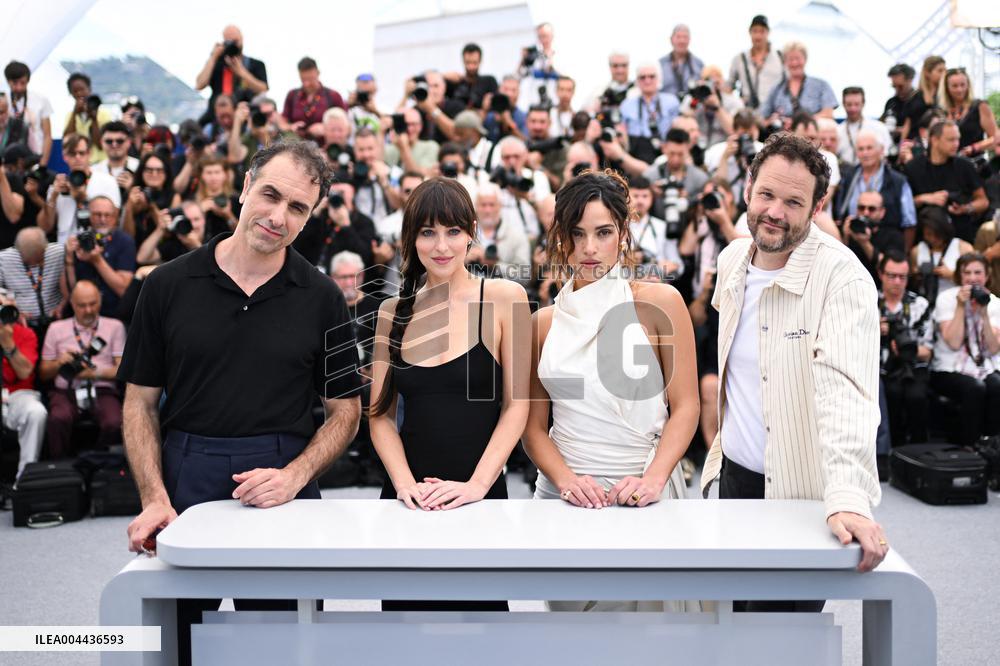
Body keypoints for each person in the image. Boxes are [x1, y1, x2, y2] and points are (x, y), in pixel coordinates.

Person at [119, 141, 362, 665]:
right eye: (271, 195)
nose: (278, 216)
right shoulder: (165, 285)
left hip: (282, 481)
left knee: (283, 645)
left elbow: (346, 412)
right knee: (175, 642)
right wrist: (154, 497)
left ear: (310, 216)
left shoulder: (324, 298)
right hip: (185, 472)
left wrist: (296, 476)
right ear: (246, 185)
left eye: (297, 208)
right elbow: (139, 403)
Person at [703, 133, 888, 591]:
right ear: (748, 189)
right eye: (766, 194)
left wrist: (847, 496)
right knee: (729, 635)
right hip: (733, 483)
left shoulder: (845, 280)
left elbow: (845, 394)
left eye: (793, 201)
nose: (774, 212)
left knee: (784, 642)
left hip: (800, 496)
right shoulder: (730, 262)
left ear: (817, 205)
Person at [523, 169, 698, 612]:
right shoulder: (543, 324)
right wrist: (567, 482)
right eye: (577, 233)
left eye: (603, 232)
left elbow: (686, 406)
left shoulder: (661, 304)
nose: (589, 248)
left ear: (623, 233)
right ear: (562, 237)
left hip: (644, 493)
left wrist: (654, 478)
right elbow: (532, 429)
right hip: (565, 500)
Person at [368, 177, 529, 610]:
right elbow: (379, 416)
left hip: (478, 497)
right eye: (428, 232)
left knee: (483, 633)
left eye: (453, 231)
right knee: (404, 633)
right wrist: (405, 485)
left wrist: (478, 485)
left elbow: (518, 406)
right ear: (411, 238)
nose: (441, 245)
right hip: (409, 500)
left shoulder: (504, 298)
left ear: (471, 231)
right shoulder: (392, 312)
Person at [40, 280, 126, 458]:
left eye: (93, 304)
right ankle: (59, 466)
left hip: (102, 389)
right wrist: (59, 364)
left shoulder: (115, 326)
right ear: (72, 304)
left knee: (114, 421)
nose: (88, 310)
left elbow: (123, 371)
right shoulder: (56, 328)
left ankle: (100, 464)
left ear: (100, 301)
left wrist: (90, 372)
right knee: (58, 418)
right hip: (66, 390)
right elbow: (43, 373)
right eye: (82, 305)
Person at [930, 252, 1000, 445]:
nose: (972, 278)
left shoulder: (995, 303)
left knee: (996, 386)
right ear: (960, 276)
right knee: (975, 388)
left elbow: (993, 349)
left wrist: (984, 314)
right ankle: (968, 447)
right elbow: (953, 342)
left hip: (984, 365)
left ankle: (992, 446)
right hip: (949, 368)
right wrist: (961, 307)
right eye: (967, 272)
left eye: (977, 272)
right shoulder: (946, 298)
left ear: (987, 276)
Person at [877, 250, 932, 448]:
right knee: (891, 394)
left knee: (916, 397)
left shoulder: (920, 304)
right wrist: (874, 331)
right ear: (881, 274)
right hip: (880, 369)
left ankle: (919, 452)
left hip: (913, 365)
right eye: (892, 276)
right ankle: (894, 453)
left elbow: (928, 350)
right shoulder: (868, 302)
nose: (897, 282)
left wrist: (906, 349)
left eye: (902, 277)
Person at [905, 119, 989, 243]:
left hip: (958, 231)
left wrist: (966, 208)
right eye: (951, 140)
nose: (956, 144)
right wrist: (925, 198)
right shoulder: (913, 167)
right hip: (924, 232)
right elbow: (903, 204)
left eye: (958, 139)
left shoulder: (965, 166)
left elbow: (983, 201)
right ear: (934, 140)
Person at [836, 130, 917, 252]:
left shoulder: (898, 181)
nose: (865, 153)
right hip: (854, 248)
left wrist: (903, 255)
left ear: (881, 150)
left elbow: (909, 223)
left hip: (888, 249)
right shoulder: (848, 177)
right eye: (861, 149)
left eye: (869, 148)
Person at [39, 133, 120, 244]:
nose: (77, 158)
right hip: (66, 248)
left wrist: (83, 199)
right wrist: (53, 197)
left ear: (89, 154)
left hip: (97, 244)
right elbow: (45, 227)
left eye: (81, 153)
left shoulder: (107, 181)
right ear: (64, 156)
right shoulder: (59, 185)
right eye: (72, 154)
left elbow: (115, 221)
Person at [63, 195, 136, 318]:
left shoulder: (125, 241)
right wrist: (69, 258)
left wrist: (97, 260)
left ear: (115, 217)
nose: (103, 220)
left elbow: (123, 290)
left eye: (108, 215)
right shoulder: (80, 241)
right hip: (82, 313)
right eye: (97, 214)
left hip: (114, 313)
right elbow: (70, 293)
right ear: (88, 215)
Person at [0, 289, 45, 477]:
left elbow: (25, 371)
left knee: (37, 412)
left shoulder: (25, 334)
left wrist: (8, 343)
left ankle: (25, 478)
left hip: (18, 395)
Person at [195, 25, 268, 123]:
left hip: (245, 114)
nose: (233, 45)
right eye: (229, 41)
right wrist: (213, 57)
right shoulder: (216, 64)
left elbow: (263, 89)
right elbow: (199, 85)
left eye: (235, 41)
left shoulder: (255, 64)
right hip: (216, 116)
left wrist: (242, 72)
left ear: (242, 40)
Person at [0, 227, 64, 331]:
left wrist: (63, 304)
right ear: (18, 250)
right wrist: (8, 304)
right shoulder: (4, 259)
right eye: (29, 260)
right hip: (22, 325)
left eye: (39, 258)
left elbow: (73, 283)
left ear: (45, 247)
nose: (35, 264)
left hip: (56, 321)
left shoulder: (58, 253)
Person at [760, 42, 837, 125]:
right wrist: (775, 120)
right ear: (784, 62)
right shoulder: (776, 89)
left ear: (805, 59)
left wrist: (799, 123)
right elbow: (763, 118)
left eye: (798, 58)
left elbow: (828, 114)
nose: (794, 63)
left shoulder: (821, 85)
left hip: (812, 135)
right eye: (790, 59)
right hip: (784, 135)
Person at [619, 63, 680, 165]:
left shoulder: (671, 101)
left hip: (665, 149)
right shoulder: (627, 105)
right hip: (636, 152)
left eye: (652, 76)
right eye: (642, 77)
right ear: (637, 81)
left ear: (659, 79)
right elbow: (621, 131)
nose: (647, 81)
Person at [910, 206, 973, 303]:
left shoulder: (963, 248)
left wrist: (952, 275)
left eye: (937, 234)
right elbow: (911, 283)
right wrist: (917, 276)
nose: (933, 239)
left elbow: (976, 281)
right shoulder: (917, 251)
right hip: (925, 304)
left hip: (955, 303)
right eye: (929, 234)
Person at [468, 182, 530, 280]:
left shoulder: (516, 235)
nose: (487, 210)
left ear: (500, 206)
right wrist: (464, 261)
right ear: (475, 207)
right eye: (483, 205)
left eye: (492, 205)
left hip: (502, 293)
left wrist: (495, 265)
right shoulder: (464, 234)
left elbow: (525, 275)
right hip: (469, 290)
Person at [122, 152, 180, 250]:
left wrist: (151, 206)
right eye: (149, 170)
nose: (154, 174)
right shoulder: (133, 193)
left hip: (161, 252)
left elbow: (168, 234)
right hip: (134, 248)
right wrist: (129, 207)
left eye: (159, 170)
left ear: (166, 173)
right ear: (142, 172)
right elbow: (127, 237)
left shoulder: (174, 197)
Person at [728, 15, 784, 112]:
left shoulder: (780, 57)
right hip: (748, 113)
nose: (758, 36)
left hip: (774, 112)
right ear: (750, 33)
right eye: (755, 31)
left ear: (768, 32)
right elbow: (729, 86)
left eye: (762, 31)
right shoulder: (740, 59)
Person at [281, 57, 346, 139]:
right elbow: (283, 121)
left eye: (310, 79)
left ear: (318, 73)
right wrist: (291, 127)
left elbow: (345, 124)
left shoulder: (333, 95)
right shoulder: (292, 95)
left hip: (326, 145)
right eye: (303, 79)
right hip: (298, 145)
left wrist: (325, 128)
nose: (307, 84)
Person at [939, 67, 998, 157]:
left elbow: (996, 137)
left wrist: (975, 147)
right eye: (954, 86)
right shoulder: (942, 111)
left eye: (963, 85)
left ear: (968, 85)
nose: (959, 90)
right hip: (950, 163)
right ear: (947, 88)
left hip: (975, 163)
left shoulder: (980, 106)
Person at [3, 61, 52, 167]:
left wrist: (42, 165)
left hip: (34, 161)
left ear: (28, 80)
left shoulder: (40, 100)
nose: (19, 87)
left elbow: (47, 135)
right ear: (8, 81)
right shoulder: (3, 101)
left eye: (23, 83)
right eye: (14, 83)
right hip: (6, 163)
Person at [135, 200, 205, 266]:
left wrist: (197, 246)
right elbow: (142, 258)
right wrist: (160, 229)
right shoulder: (175, 243)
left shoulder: (213, 238)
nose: (192, 225)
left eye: (196, 219)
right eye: (187, 220)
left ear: (204, 220)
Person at [63, 72, 112, 163]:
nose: (79, 94)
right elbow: (67, 141)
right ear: (71, 93)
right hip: (79, 163)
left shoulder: (104, 114)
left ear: (89, 89)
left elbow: (101, 145)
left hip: (101, 162)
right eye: (75, 91)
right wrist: (74, 114)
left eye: (82, 89)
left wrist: (93, 119)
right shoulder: (70, 115)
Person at [836, 87, 892, 167]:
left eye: (856, 104)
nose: (853, 108)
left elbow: (886, 153)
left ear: (863, 104)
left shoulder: (879, 127)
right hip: (845, 174)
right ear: (843, 104)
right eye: (849, 104)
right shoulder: (837, 131)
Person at [900, 55, 945, 141]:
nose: (944, 74)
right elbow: (907, 125)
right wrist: (902, 144)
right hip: (913, 141)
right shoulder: (915, 97)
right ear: (928, 73)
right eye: (940, 71)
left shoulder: (944, 97)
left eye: (944, 70)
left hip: (936, 140)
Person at [383, 107, 440, 175]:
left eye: (413, 124)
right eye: (405, 125)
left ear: (420, 126)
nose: (409, 129)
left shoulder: (431, 146)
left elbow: (420, 176)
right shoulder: (389, 148)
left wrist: (404, 147)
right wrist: (381, 132)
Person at [443, 43, 498, 111]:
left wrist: (489, 100)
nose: (471, 67)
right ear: (463, 61)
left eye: (474, 63)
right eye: (468, 63)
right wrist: (442, 76)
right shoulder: (454, 82)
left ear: (480, 61)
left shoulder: (489, 81)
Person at [517, 22, 559, 109]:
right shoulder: (534, 56)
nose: (543, 40)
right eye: (540, 37)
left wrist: (549, 58)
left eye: (545, 36)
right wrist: (523, 59)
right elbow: (519, 74)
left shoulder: (558, 55)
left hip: (554, 100)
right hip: (534, 100)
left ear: (552, 36)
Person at [659, 24, 704, 98]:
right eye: (678, 37)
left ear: (689, 40)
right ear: (671, 39)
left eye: (685, 37)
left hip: (692, 106)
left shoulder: (699, 64)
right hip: (666, 107)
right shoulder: (660, 64)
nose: (682, 41)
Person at [881, 63, 916, 134]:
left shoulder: (919, 102)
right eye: (894, 86)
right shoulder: (891, 103)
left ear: (910, 80)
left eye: (900, 86)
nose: (897, 90)